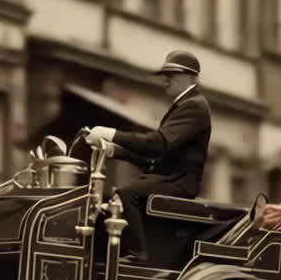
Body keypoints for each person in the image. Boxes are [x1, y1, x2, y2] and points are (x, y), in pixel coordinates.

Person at [86, 50, 212, 265]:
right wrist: (115, 150)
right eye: (165, 74)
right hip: (170, 177)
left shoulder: (194, 106)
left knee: (128, 193)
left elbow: (157, 145)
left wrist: (111, 133)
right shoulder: (187, 104)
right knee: (118, 195)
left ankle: (138, 254)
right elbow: (156, 156)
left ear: (192, 77)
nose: (165, 79)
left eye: (172, 74)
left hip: (180, 181)